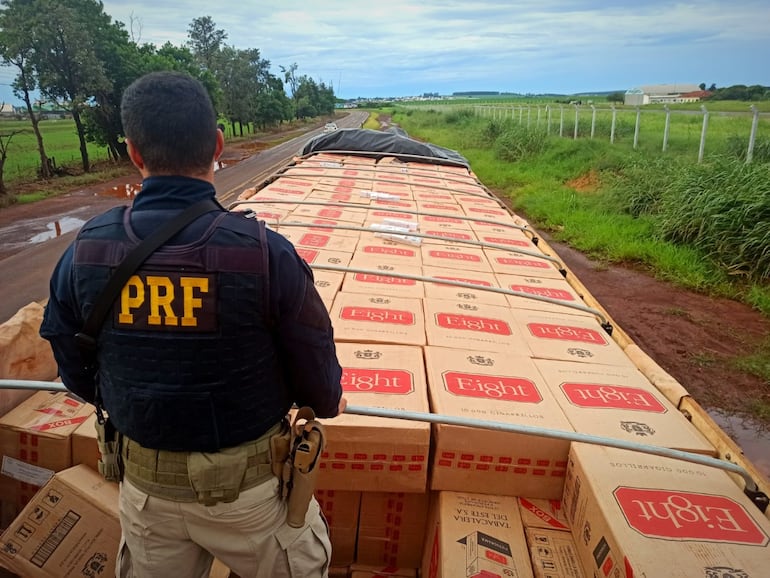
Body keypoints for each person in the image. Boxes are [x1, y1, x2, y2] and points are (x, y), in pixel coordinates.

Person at [39, 70, 345, 578]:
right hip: (251, 499)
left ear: (134, 153)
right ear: (218, 143)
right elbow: (317, 374)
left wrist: (127, 396)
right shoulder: (264, 255)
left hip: (144, 494)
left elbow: (68, 354)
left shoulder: (87, 250)